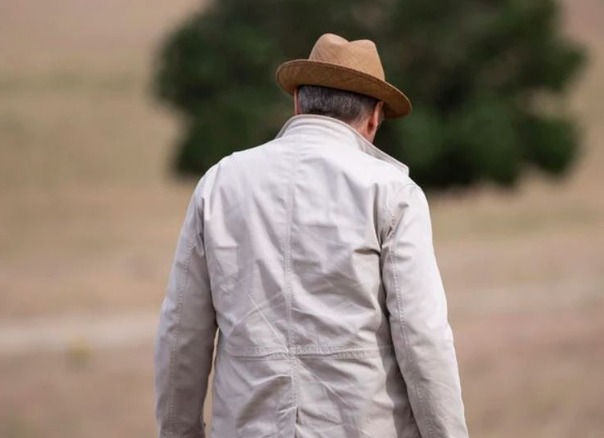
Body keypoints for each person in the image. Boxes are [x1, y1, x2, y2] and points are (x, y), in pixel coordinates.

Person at [154, 33, 468, 438]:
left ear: (298, 103)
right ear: (374, 117)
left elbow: (183, 332)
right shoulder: (392, 192)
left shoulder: (220, 182)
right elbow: (422, 336)